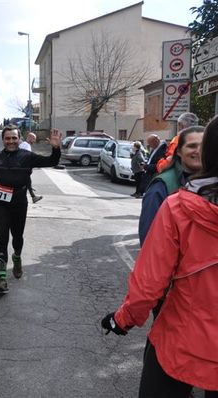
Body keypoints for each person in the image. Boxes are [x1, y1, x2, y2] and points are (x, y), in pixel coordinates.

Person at [101, 116, 218, 397]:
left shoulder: (179, 208)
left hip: (181, 339)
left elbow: (149, 282)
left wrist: (122, 320)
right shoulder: (166, 192)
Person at [0, 123, 61, 293]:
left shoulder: (27, 156)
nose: (11, 141)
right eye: (7, 138)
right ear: (3, 140)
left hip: (19, 203)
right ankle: (2, 278)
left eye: (14, 138)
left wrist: (55, 148)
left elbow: (52, 161)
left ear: (19, 139)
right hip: (0, 204)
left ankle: (17, 257)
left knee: (17, 237)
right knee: (2, 239)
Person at [139, 126, 204, 245]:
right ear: (179, 151)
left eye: (204, 146)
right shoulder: (162, 186)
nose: (198, 151)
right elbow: (149, 239)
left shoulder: (210, 182)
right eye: (192, 146)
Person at [19, 132, 43, 203]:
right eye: (34, 139)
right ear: (30, 138)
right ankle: (32, 197)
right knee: (26, 183)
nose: (34, 141)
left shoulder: (24, 144)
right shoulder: (26, 146)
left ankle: (33, 196)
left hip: (22, 169)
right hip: (23, 169)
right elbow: (27, 158)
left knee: (27, 183)